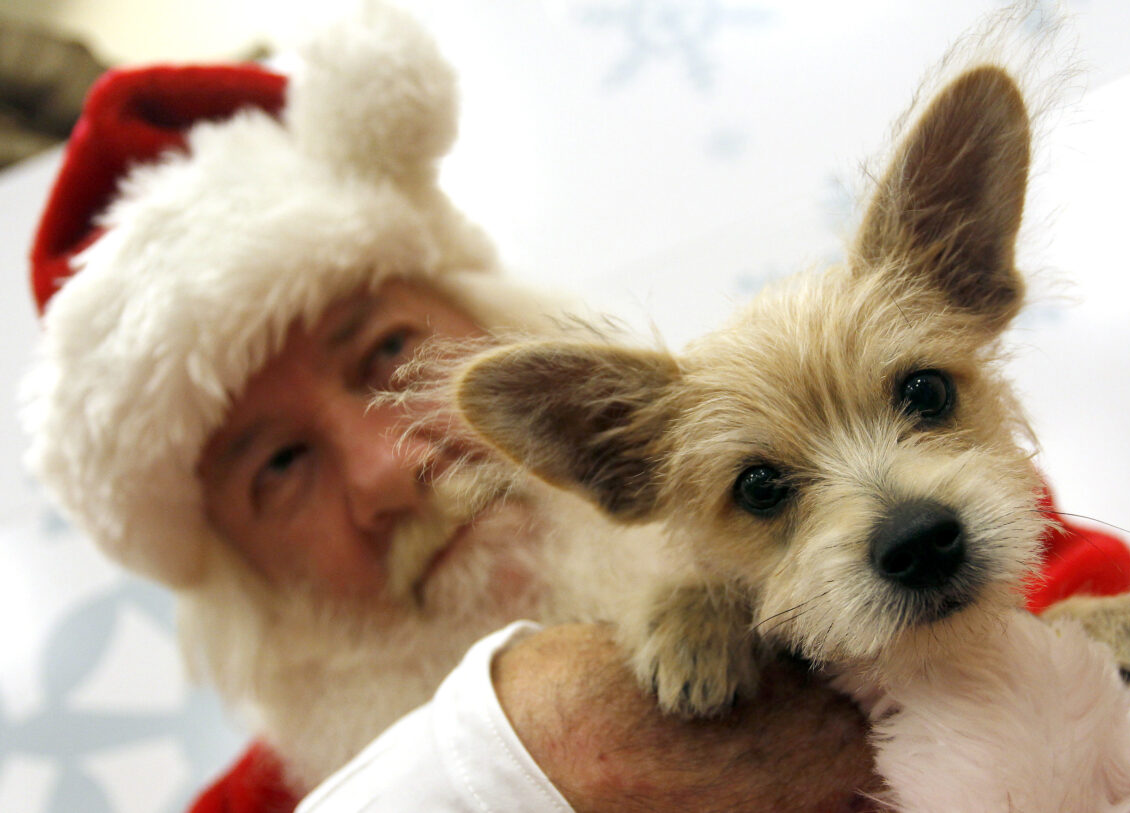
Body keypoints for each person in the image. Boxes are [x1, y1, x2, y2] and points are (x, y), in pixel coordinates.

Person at [23, 6, 883, 811]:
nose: (389, 468)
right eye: (280, 466)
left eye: (389, 352)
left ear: (502, 328)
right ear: (236, 565)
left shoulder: (898, 532)